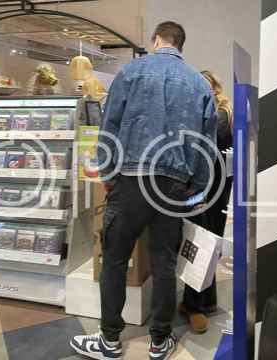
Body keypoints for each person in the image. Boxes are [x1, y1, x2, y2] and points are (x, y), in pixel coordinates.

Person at [70, 21, 217, 360]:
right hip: (173, 187)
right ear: (181, 45)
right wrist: (196, 191)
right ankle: (159, 342)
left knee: (115, 260)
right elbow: (206, 145)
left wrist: (108, 174)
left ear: (156, 40)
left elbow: (110, 125)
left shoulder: (130, 73)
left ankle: (109, 341)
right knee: (165, 262)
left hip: (131, 180)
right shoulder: (199, 84)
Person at [179, 70, 233, 333]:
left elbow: (203, 151)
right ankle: (203, 300)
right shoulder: (219, 113)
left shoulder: (219, 115)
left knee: (200, 245)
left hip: (207, 192)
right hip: (212, 192)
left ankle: (194, 306)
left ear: (214, 87)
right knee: (203, 244)